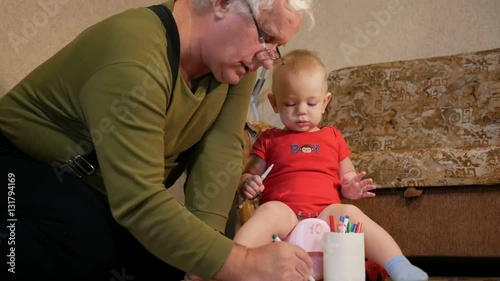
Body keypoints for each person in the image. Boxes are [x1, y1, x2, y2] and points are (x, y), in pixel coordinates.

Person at [0, 1, 316, 281]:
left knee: (174, 263)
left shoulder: (237, 61)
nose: (268, 60)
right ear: (222, 4)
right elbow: (139, 199)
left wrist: (203, 262)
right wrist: (242, 262)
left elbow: (221, 147)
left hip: (105, 191)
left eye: (277, 46)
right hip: (22, 166)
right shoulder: (135, 52)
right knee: (87, 243)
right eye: (267, 38)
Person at [234, 49, 429, 281]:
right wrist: (248, 184)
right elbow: (249, 175)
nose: (301, 111)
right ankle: (230, 264)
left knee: (350, 212)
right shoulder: (269, 138)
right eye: (290, 104)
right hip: (286, 216)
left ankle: (399, 266)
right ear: (274, 103)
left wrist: (351, 188)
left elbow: (347, 177)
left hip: (326, 214)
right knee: (268, 211)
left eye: (311, 102)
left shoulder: (333, 137)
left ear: (325, 102)